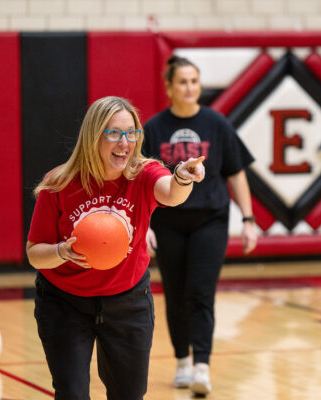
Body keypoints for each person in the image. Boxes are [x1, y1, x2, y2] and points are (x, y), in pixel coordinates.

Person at [26, 96, 205, 400]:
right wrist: (60, 252)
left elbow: (171, 194)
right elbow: (34, 253)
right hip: (64, 304)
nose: (125, 143)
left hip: (128, 303)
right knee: (71, 393)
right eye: (114, 133)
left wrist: (182, 178)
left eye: (131, 133)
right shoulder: (59, 182)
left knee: (129, 395)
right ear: (94, 136)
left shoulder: (144, 174)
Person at [143, 55, 257, 396]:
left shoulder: (217, 124)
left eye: (194, 81)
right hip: (168, 222)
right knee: (175, 294)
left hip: (210, 219)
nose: (189, 87)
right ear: (169, 88)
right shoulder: (153, 129)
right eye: (182, 82)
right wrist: (145, 223)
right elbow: (142, 179)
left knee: (201, 293)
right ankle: (181, 361)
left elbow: (236, 172)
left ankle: (202, 367)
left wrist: (249, 219)